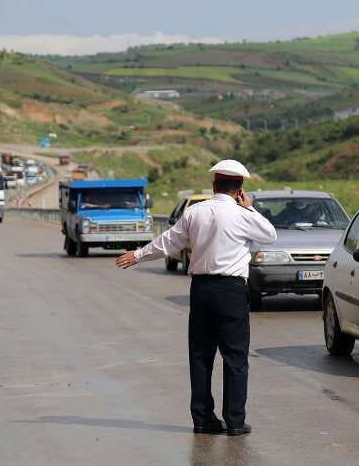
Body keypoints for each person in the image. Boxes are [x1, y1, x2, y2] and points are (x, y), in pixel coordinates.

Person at [115, 159, 276, 436]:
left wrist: (138, 255)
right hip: (231, 291)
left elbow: (169, 241)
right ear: (240, 189)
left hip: (201, 290)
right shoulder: (243, 214)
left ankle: (203, 419)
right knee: (235, 357)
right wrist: (249, 207)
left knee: (201, 356)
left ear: (214, 185)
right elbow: (270, 235)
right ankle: (235, 421)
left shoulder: (195, 212)